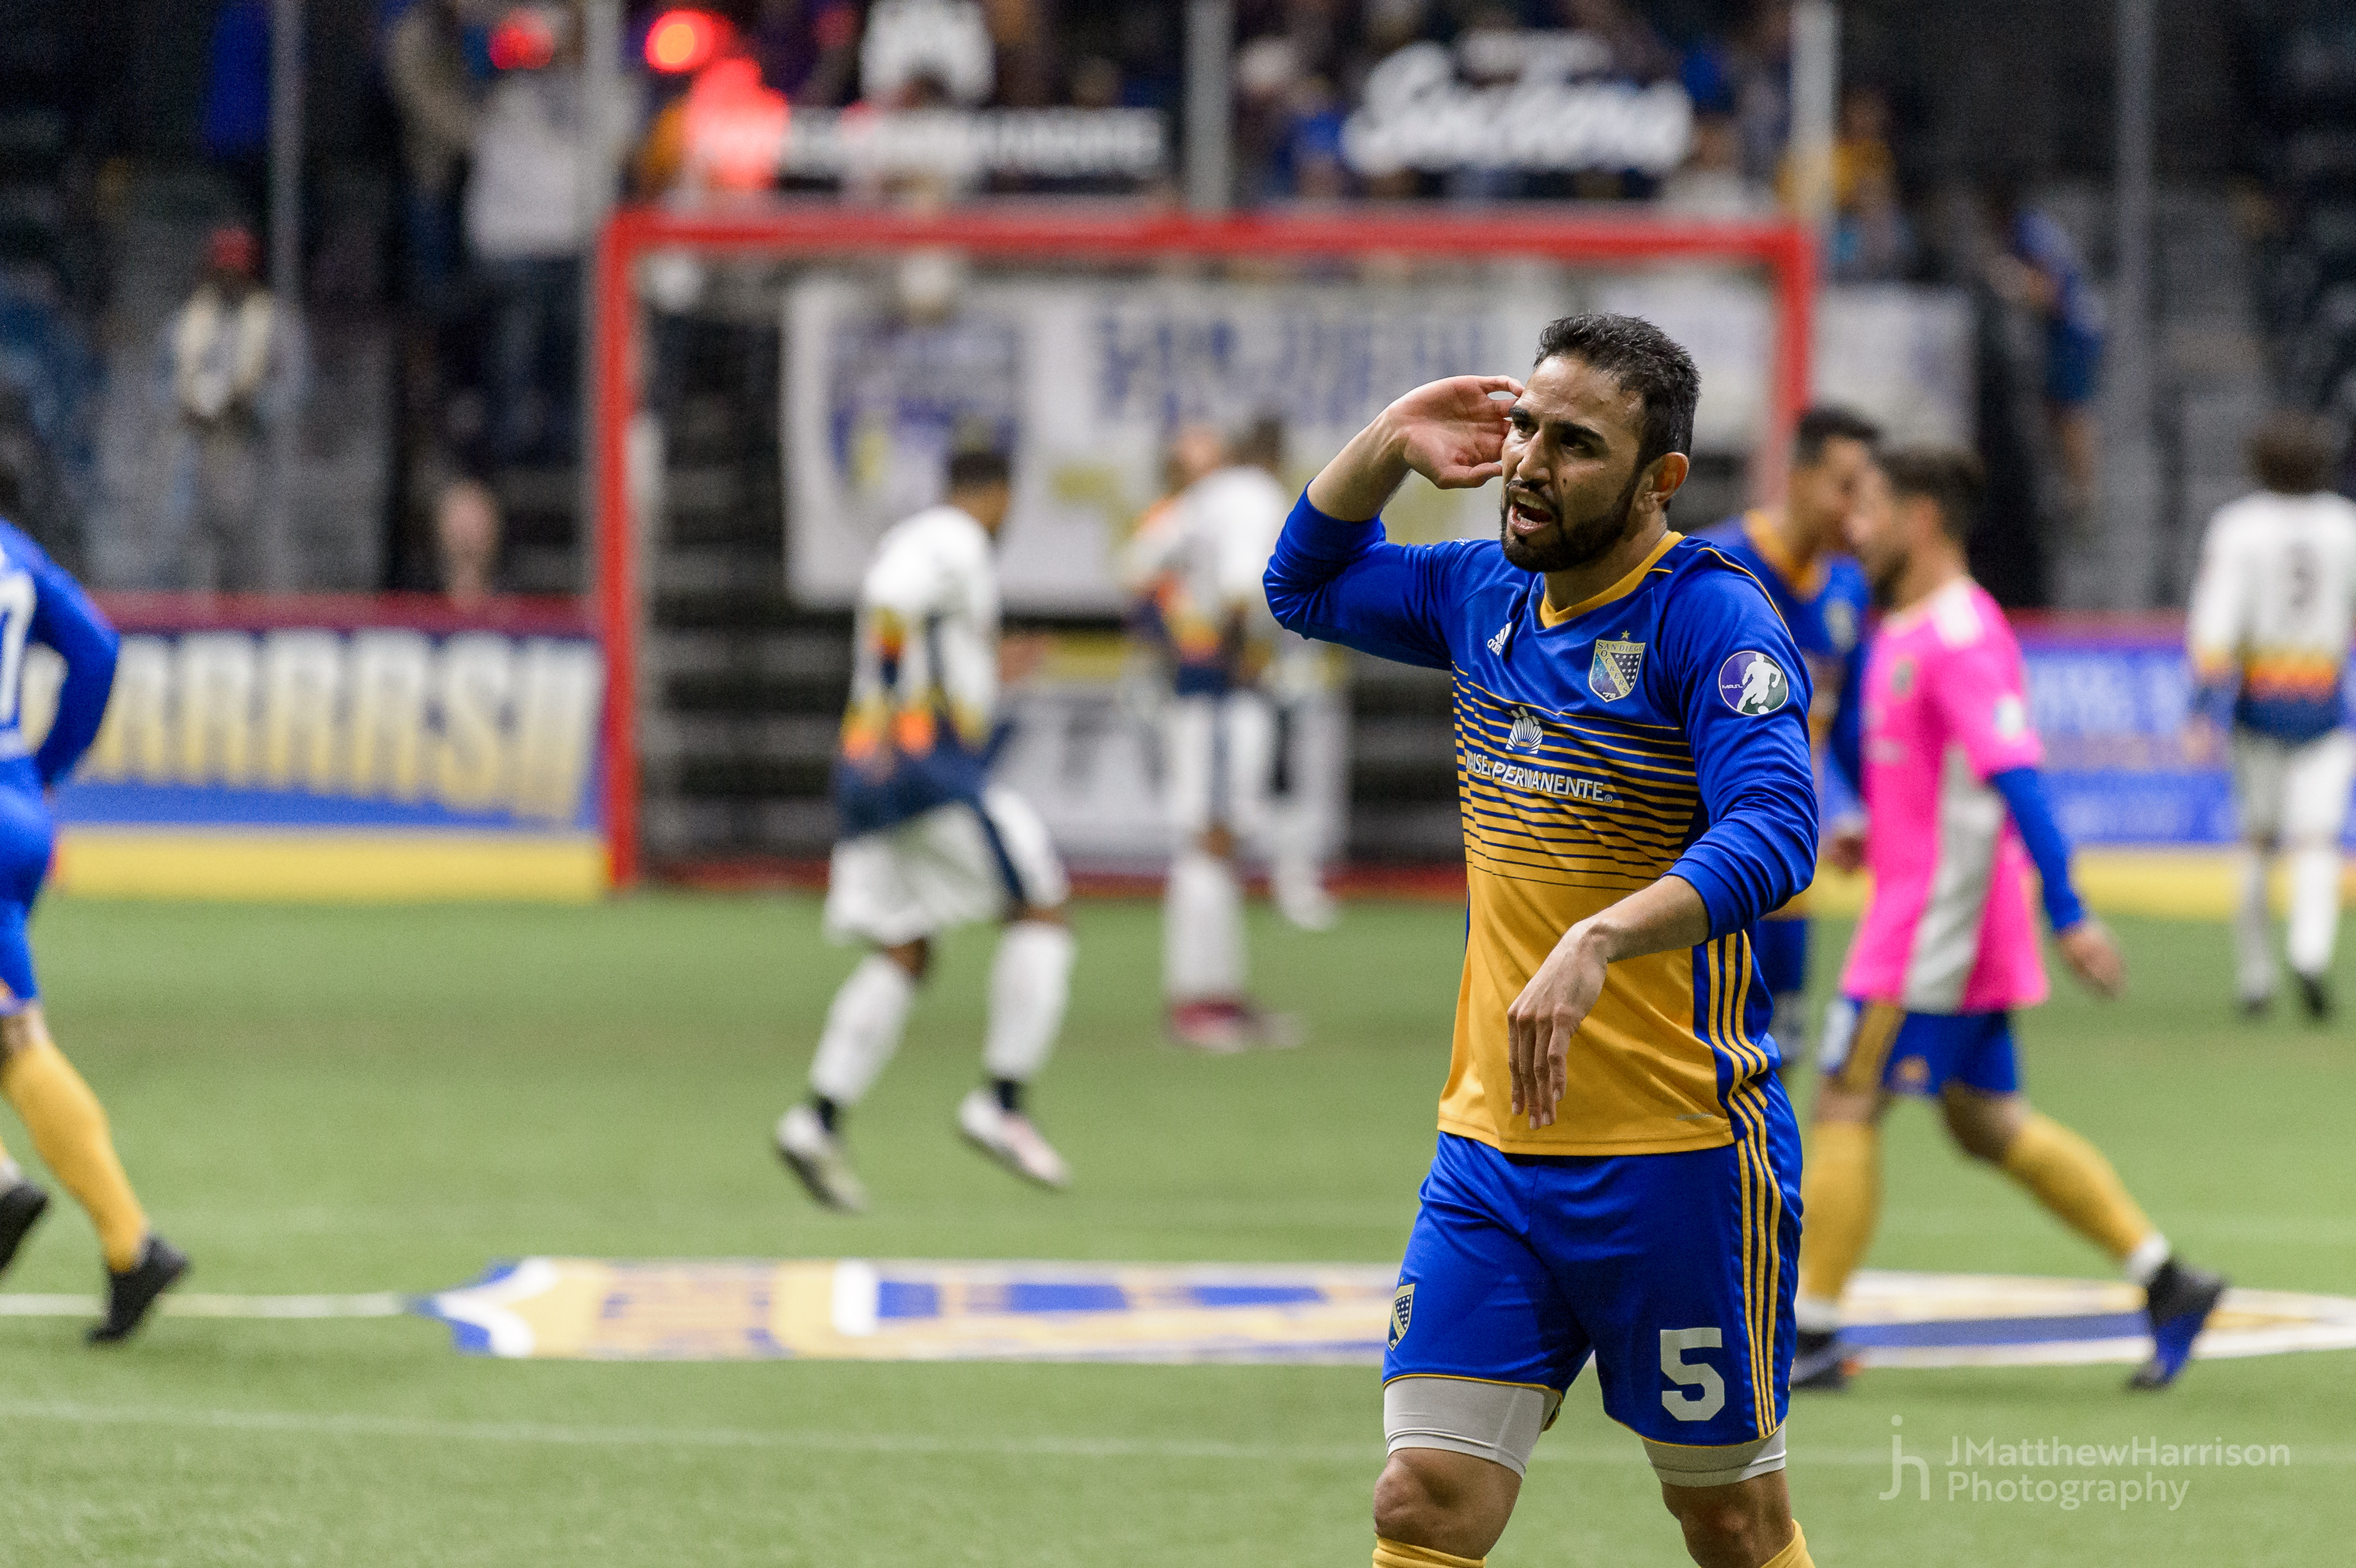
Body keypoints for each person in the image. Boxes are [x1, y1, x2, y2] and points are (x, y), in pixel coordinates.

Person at [1266, 315, 1822, 1568]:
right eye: (1524, 426)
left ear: (1658, 478)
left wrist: (1601, 938)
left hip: (1678, 1160)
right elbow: (1301, 585)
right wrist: (1387, 441)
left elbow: (1777, 831)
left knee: (1730, 1521)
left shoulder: (1711, 621)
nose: (1527, 461)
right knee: (1421, 1496)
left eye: (1575, 444)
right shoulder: (1481, 595)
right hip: (1491, 1157)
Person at [1796, 447, 2226, 1395]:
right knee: (1986, 1124)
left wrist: (2069, 910)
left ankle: (1812, 1331)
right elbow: (1922, 775)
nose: (1853, 529)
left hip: (1932, 929)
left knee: (1844, 1098)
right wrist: (1872, 827)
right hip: (1942, 916)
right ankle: (2167, 1280)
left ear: (1919, 520)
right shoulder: (1904, 627)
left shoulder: (1958, 634)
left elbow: (2017, 779)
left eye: (1870, 510)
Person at [774, 448, 1076, 1211]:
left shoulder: (924, 542)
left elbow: (921, 636)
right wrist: (889, 706)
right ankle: (1002, 1101)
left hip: (867, 771)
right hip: (919, 765)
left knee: (904, 947)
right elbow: (890, 600)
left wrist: (990, 668)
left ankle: (818, 1117)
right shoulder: (954, 536)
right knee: (1041, 906)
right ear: (996, 493)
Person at [0, 521, 188, 1342]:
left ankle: (4, 1190)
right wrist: (44, 768)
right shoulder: (12, 548)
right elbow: (99, 649)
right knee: (13, 1034)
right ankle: (131, 1247)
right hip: (15, 804)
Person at [1125, 418, 1330, 1053]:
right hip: (1223, 689)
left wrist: (1174, 641)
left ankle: (1218, 996)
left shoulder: (1200, 499)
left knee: (1216, 840)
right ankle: (1196, 1002)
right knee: (1209, 838)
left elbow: (1138, 567)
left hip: (1199, 685)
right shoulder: (1253, 494)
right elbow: (1241, 589)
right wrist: (1231, 655)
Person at [1697, 407, 1879, 1074]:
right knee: (1700, 1068)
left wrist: (1865, 811)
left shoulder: (1847, 587)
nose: (1857, 511)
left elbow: (1849, 719)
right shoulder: (1713, 567)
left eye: (1867, 492)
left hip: (1792, 881)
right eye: (1845, 487)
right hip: (1706, 872)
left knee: (1778, 1060)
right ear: (1797, 478)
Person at [2185, 412, 2356, 1020]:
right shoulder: (2344, 524)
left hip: (2258, 703)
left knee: (2257, 841)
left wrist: (2200, 706)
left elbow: (2215, 621)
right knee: (2317, 839)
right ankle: (2310, 951)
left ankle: (2255, 978)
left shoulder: (2239, 526)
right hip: (2324, 701)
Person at [157, 225, 303, 590]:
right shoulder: (188, 319)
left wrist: (255, 405)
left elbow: (297, 386)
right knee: (190, 551)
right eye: (222, 271)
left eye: (236, 271)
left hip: (250, 449)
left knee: (247, 554)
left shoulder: (274, 321)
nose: (228, 280)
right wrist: (186, 401)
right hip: (197, 448)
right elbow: (159, 381)